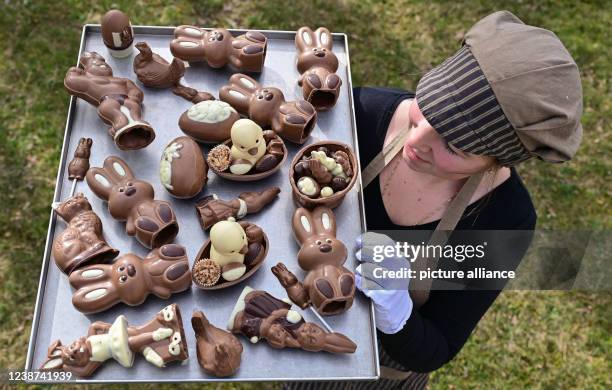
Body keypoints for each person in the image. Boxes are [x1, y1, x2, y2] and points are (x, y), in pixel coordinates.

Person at [285, 10, 582, 390]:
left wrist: (397, 313)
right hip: (299, 339)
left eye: (453, 146)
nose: (415, 142)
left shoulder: (505, 219)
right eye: (425, 109)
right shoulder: (364, 112)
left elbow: (437, 346)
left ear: (495, 161)